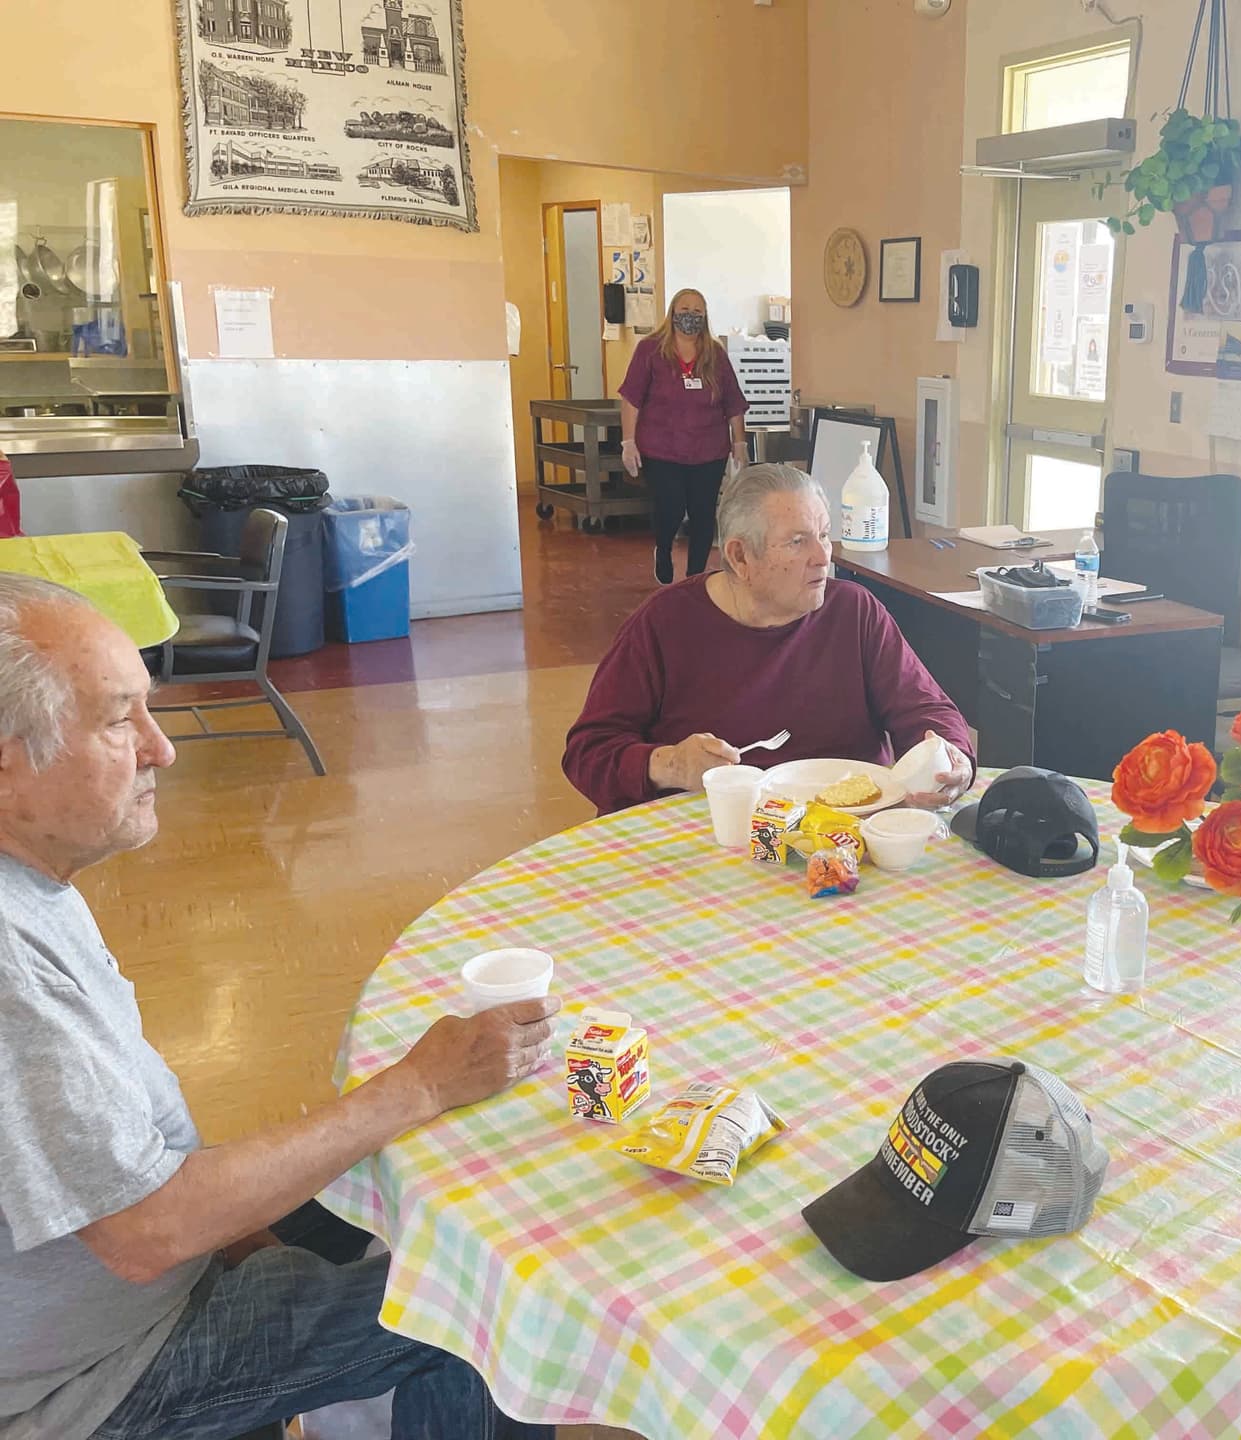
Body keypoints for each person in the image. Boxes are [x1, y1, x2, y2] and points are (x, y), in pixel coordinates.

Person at [0, 573, 560, 1440]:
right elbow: (147, 1232)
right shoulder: (10, 962)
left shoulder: (35, 877)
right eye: (119, 720)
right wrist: (417, 1084)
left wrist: (234, 1232)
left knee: (444, 1203)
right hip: (91, 1380)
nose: (163, 749)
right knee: (482, 1304)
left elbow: (129, 1179)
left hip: (147, 1263)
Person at [564, 463, 974, 815]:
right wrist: (669, 764)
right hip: (713, 838)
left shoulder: (853, 611)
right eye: (798, 542)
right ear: (740, 557)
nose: (823, 556)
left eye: (824, 535)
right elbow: (588, 752)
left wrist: (951, 759)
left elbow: (927, 710)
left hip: (843, 835)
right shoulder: (665, 623)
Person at [617, 287, 749, 586]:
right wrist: (628, 442)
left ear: (705, 317)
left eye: (698, 312)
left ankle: (694, 579)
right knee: (671, 508)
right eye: (685, 309)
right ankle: (662, 550)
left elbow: (733, 403)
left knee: (703, 514)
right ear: (673, 313)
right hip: (663, 449)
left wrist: (739, 443)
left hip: (709, 450)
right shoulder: (650, 350)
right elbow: (631, 399)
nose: (691, 316)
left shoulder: (715, 354)